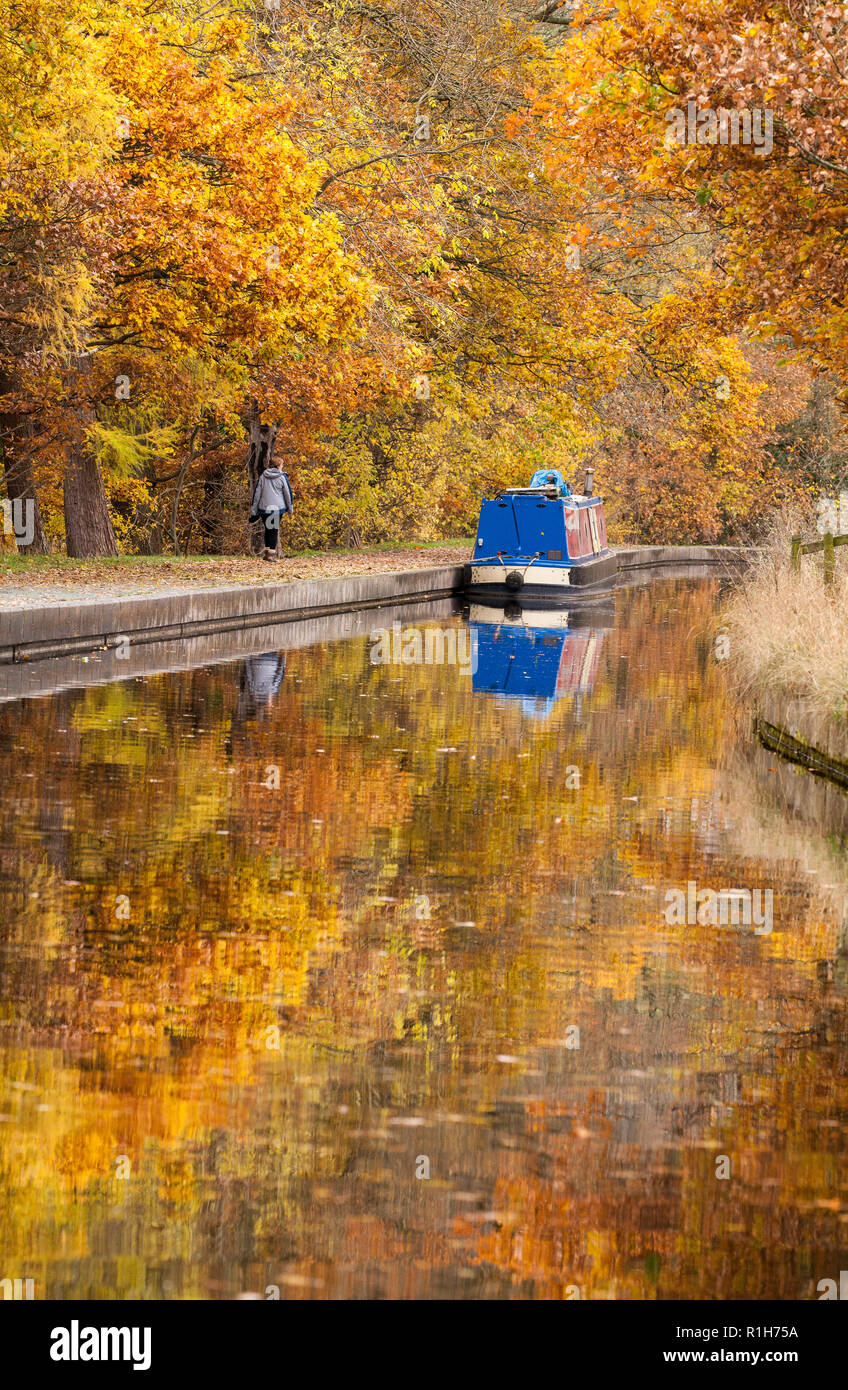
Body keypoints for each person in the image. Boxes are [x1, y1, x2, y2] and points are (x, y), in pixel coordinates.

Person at [249, 464, 294, 561]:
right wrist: (290, 508)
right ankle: (270, 554)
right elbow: (287, 493)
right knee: (273, 530)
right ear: (278, 466)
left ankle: (267, 552)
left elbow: (257, 493)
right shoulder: (282, 477)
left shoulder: (263, 476)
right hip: (277, 507)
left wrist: (254, 510)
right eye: (282, 465)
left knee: (268, 529)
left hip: (265, 507)